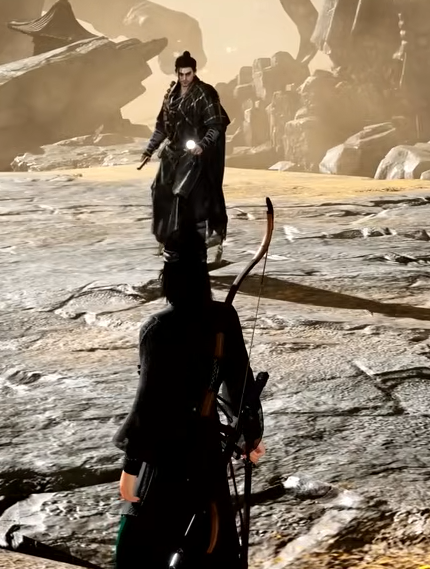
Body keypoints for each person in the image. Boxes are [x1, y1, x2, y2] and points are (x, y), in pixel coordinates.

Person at [112, 231, 266, 569]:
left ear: (167, 275)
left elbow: (148, 407)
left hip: (165, 456)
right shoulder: (224, 317)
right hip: (207, 450)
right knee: (214, 545)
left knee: (134, 552)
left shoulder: (158, 328)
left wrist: (131, 467)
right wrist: (250, 434)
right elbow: (240, 385)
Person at [142, 51, 231, 264]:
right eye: (181, 74)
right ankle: (167, 239)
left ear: (194, 72)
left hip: (194, 155)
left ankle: (197, 246)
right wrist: (149, 149)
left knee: (186, 196)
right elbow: (162, 126)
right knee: (159, 190)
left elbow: (216, 125)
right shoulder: (171, 96)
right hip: (173, 152)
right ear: (176, 73)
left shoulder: (205, 93)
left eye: (188, 74)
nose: (184, 78)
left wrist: (202, 145)